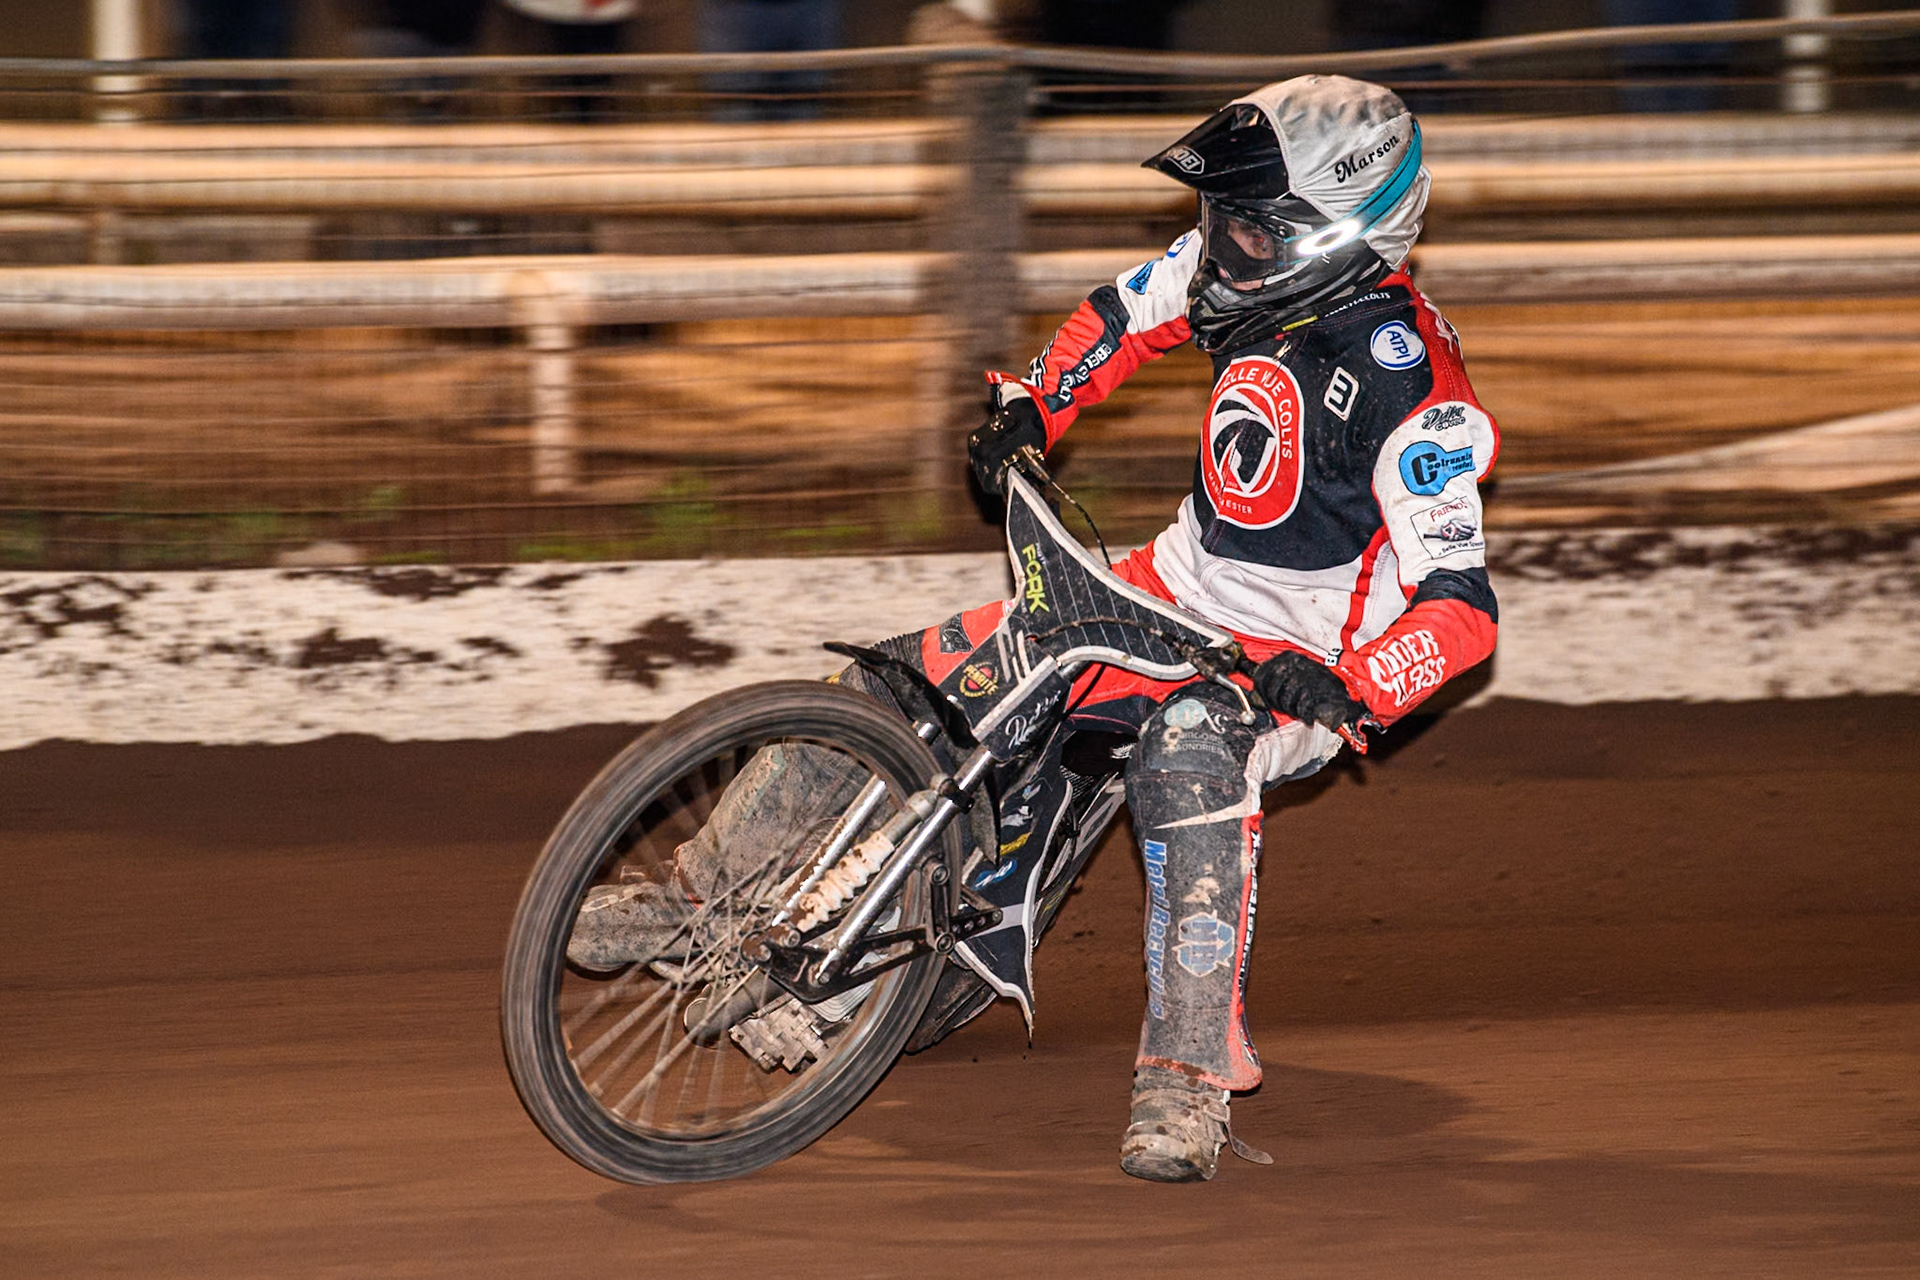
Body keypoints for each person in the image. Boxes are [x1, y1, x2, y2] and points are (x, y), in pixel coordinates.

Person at [569, 74, 1501, 1183]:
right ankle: (701, 899)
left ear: (1339, 235)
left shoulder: (1417, 392)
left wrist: (1354, 684)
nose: (1221, 245)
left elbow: (1463, 610)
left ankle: (1187, 1075)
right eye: (1223, 219)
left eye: (1251, 226)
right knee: (901, 683)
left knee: (1190, 747)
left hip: (1292, 660)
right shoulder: (1242, 273)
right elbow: (1121, 314)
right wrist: (1031, 404)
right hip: (1166, 588)